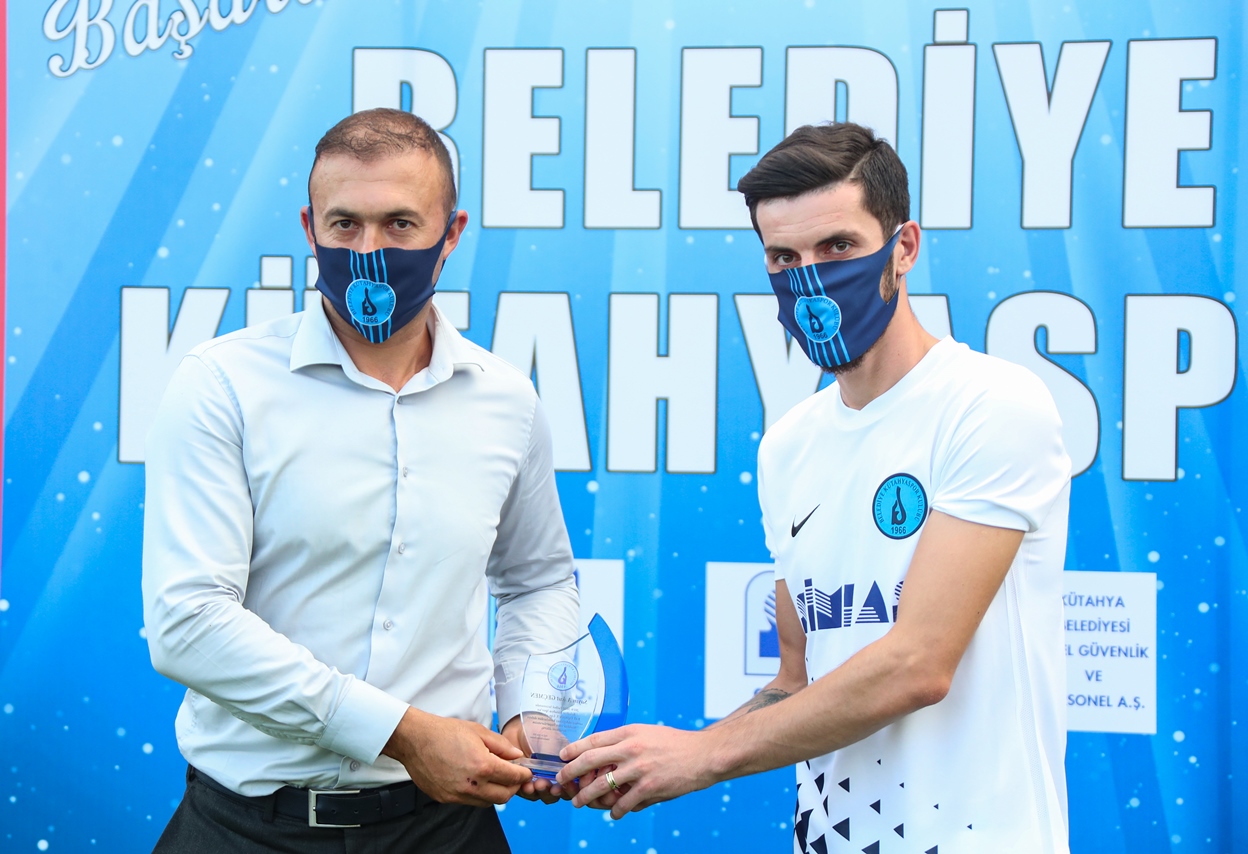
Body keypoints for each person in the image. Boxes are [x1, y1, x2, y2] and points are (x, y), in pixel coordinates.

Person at [558, 123, 1073, 854]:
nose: (810, 278)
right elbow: (796, 679)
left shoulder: (990, 404)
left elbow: (919, 664)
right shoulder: (790, 444)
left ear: (904, 247)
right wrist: (645, 759)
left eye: (837, 247)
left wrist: (702, 756)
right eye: (784, 257)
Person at [142, 108, 578, 853]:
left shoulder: (506, 399)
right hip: (247, 831)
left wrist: (530, 707)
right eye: (345, 224)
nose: (369, 250)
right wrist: (402, 733)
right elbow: (187, 623)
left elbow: (537, 580)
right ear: (309, 228)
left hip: (446, 830)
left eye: (400, 224)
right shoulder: (222, 385)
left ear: (451, 233)